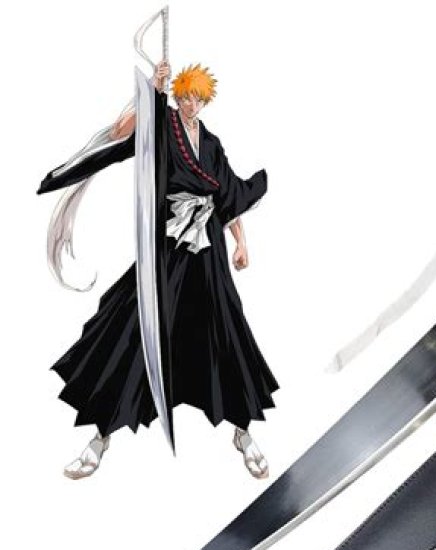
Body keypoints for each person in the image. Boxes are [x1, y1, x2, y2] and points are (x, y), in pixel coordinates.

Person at [38, 62, 278, 480]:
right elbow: (121, 132)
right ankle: (100, 437)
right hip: (166, 249)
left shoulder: (212, 144)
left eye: (196, 98)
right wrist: (152, 89)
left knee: (225, 329)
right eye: (184, 96)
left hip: (207, 250)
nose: (189, 103)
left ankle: (243, 431)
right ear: (178, 95)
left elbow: (227, 196)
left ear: (205, 101)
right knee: (133, 325)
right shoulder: (160, 124)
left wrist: (241, 242)